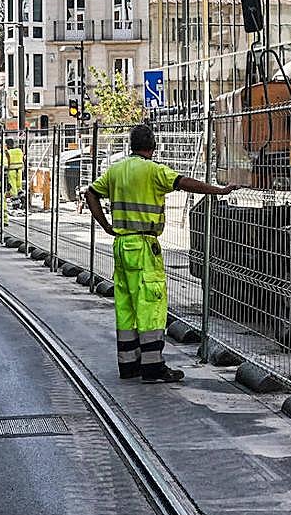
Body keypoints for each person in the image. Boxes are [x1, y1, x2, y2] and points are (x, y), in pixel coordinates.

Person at [84, 123, 238, 383]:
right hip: (144, 246)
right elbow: (183, 182)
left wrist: (106, 226)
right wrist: (219, 190)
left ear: (131, 146)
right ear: (153, 147)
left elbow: (90, 193)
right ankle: (153, 368)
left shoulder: (116, 170)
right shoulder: (153, 171)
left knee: (126, 305)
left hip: (121, 245)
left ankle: (129, 365)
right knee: (151, 305)